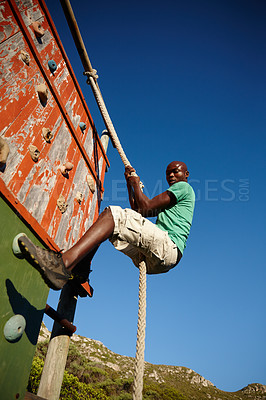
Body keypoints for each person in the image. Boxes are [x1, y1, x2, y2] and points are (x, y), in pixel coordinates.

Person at [18, 161, 195, 290]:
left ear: (185, 175)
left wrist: (135, 184)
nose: (171, 175)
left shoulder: (183, 188)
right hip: (160, 259)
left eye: (176, 172)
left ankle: (62, 265)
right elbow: (140, 212)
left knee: (113, 214)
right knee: (109, 226)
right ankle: (81, 270)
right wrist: (129, 185)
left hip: (168, 247)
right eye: (168, 173)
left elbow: (145, 206)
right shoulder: (172, 200)